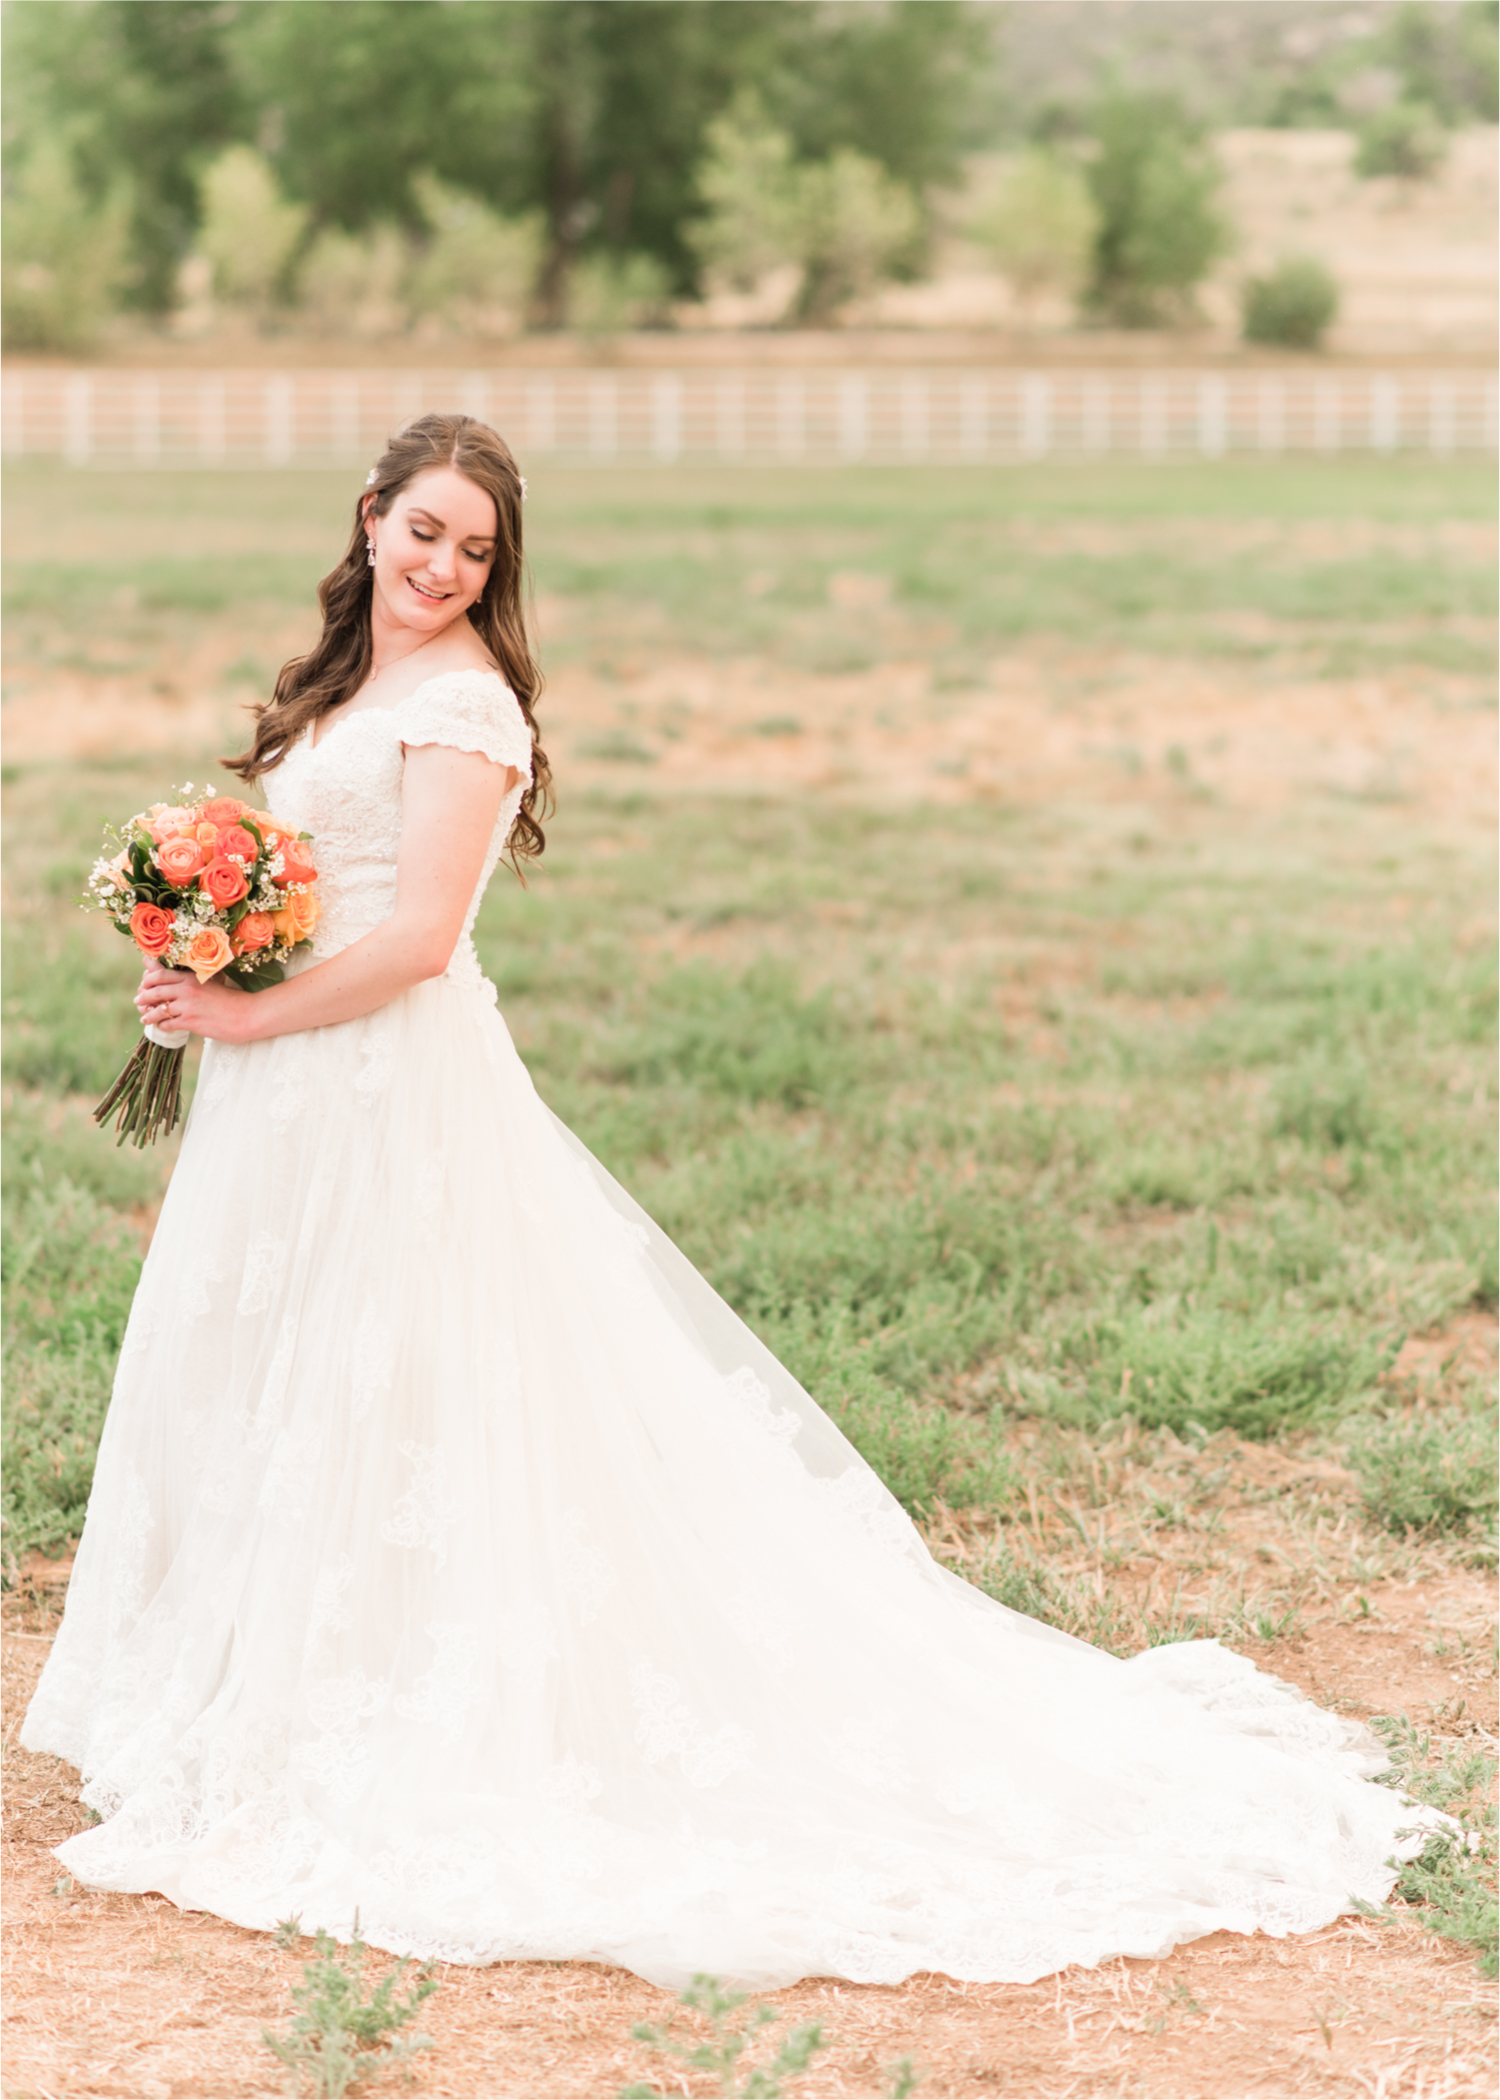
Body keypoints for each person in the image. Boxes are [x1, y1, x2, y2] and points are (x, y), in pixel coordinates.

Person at [24, 413, 1431, 1992]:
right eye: (423, 531)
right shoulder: (345, 685)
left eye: (475, 550)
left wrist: (253, 1012)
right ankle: (262, 1685)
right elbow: (308, 878)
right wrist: (209, 959)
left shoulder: (469, 706)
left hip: (383, 1084)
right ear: (367, 520)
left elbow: (420, 937)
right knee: (284, 1372)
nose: (442, 567)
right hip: (282, 1088)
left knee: (403, 1375)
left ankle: (413, 1701)